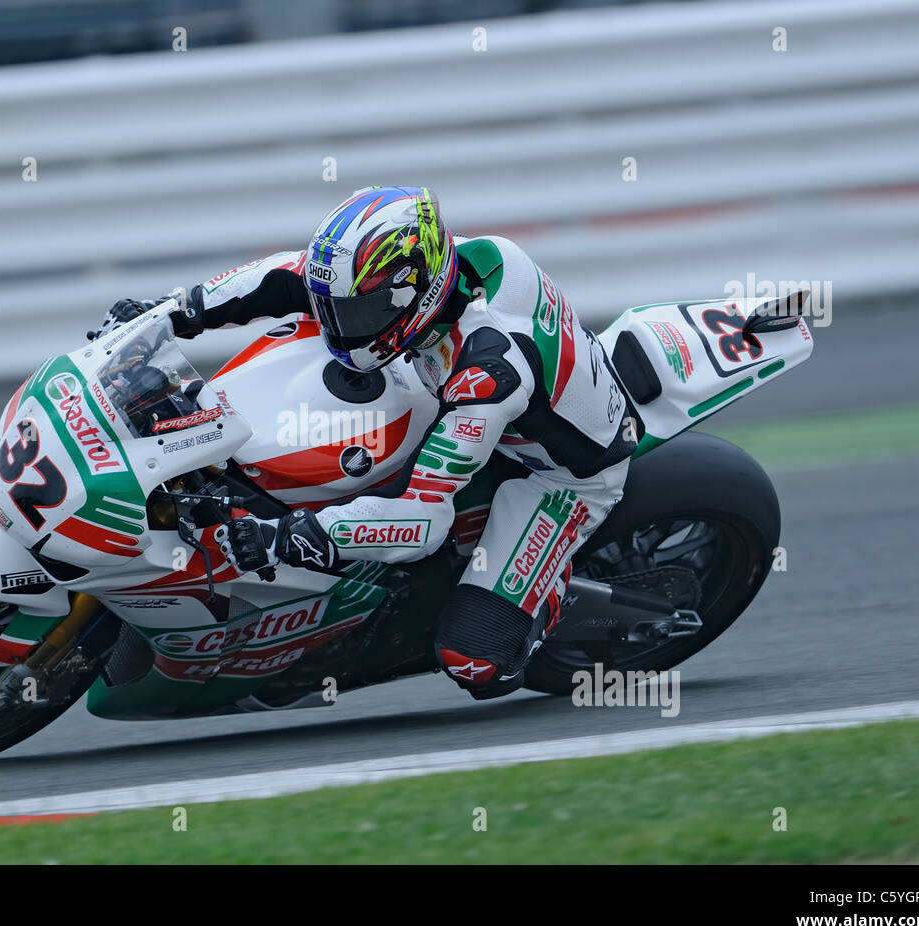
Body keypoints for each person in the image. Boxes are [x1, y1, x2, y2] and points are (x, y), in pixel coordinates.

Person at [104, 186, 637, 698]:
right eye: (332, 307)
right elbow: (284, 275)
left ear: (415, 291)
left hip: (559, 476)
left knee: (476, 664)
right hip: (449, 382)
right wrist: (171, 313)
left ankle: (546, 596)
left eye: (355, 314)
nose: (338, 324)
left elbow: (423, 520)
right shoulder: (435, 278)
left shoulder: (487, 374)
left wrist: (286, 536)